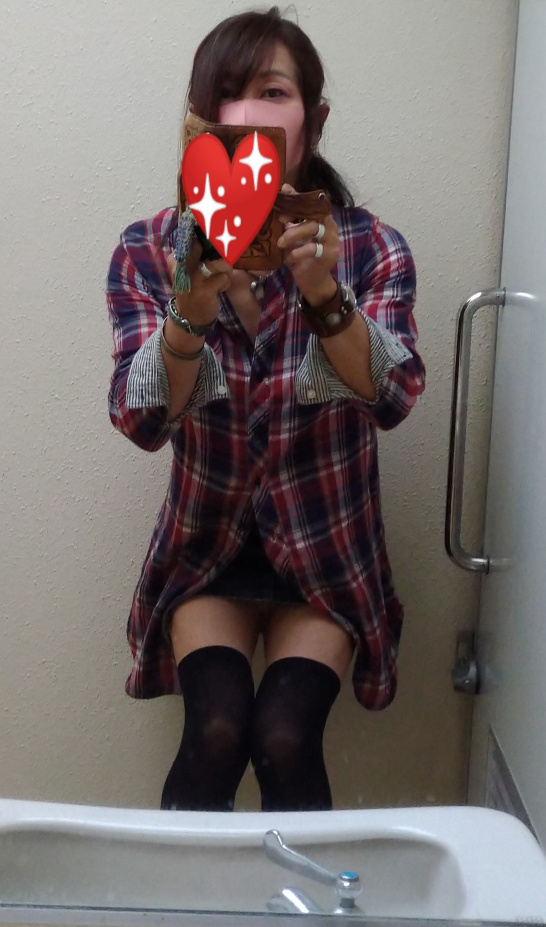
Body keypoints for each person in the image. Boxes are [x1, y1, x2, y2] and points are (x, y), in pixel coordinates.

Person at [106, 6, 426, 813]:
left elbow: (393, 396)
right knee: (215, 728)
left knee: (285, 735)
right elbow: (141, 420)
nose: (247, 111)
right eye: (227, 93)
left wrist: (322, 292)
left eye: (273, 91)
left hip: (325, 548)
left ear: (313, 119)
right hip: (207, 546)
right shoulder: (150, 250)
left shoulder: (371, 248)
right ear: (197, 121)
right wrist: (189, 313)